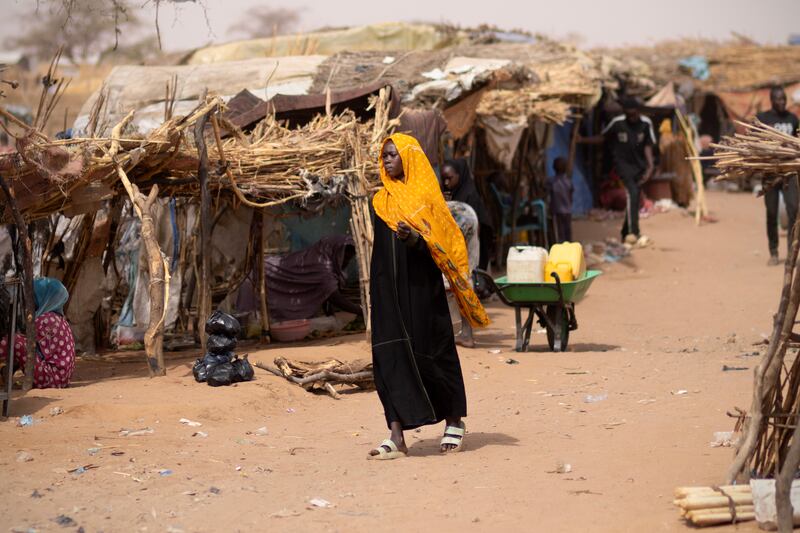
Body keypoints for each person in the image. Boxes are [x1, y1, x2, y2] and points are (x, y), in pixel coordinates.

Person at [368, 133, 490, 460]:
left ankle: (454, 419)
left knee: (432, 353)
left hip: (421, 289)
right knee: (388, 356)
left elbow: (440, 244)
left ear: (409, 156)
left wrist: (414, 241)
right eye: (386, 155)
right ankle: (396, 435)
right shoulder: (380, 200)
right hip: (386, 290)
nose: (388, 159)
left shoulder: (426, 198)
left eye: (394, 154)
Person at [583, 97, 656, 244]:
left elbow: (648, 146)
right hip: (623, 167)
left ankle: (625, 232)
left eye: (634, 114)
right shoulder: (617, 123)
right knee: (633, 194)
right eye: (629, 115)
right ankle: (634, 232)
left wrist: (650, 166)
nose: (632, 118)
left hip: (640, 167)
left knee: (635, 199)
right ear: (625, 113)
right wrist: (582, 140)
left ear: (638, 112)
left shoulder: (646, 124)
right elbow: (603, 138)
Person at [0, 278, 75, 389]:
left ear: (44, 298)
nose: (31, 301)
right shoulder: (59, 319)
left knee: (13, 341)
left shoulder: (46, 319)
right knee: (19, 343)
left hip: (51, 378)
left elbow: (28, 347)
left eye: (35, 297)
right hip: (61, 379)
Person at [757, 85, 800, 266]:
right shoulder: (763, 119)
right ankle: (773, 251)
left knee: (793, 210)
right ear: (771, 100)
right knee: (771, 212)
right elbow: (756, 142)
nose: (782, 102)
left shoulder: (793, 119)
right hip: (770, 172)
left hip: (789, 172)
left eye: (784, 98)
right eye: (778, 99)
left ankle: (791, 251)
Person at [441, 158, 494, 270]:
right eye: (444, 179)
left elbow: (477, 227)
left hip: (469, 249)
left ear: (459, 176)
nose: (446, 183)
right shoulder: (444, 193)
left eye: (449, 178)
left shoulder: (470, 196)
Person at [443, 200, 480, 348]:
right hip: (467, 218)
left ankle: (463, 334)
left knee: (457, 281)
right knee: (463, 279)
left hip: (458, 223)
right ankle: (466, 334)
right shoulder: (464, 206)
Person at [546, 157, 574, 243]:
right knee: (567, 232)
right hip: (567, 211)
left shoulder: (551, 181)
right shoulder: (568, 181)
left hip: (556, 211)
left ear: (554, 168)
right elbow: (571, 195)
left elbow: (545, 193)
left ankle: (560, 252)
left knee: (558, 233)